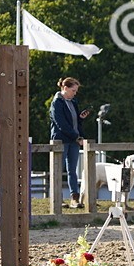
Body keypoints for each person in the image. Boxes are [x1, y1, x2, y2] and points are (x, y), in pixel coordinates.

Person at [49, 77, 91, 208]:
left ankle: (74, 198)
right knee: (58, 170)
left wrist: (80, 118)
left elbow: (74, 122)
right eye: (73, 90)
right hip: (61, 140)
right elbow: (61, 124)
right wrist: (76, 137)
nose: (75, 93)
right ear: (65, 88)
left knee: (72, 170)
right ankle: (58, 198)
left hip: (73, 140)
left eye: (76, 91)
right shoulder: (56, 103)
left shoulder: (73, 102)